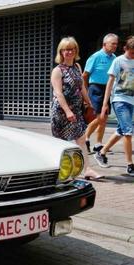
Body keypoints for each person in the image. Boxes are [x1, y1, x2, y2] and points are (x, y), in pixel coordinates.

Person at [50, 36, 102, 180]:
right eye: (66, 49)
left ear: (76, 50)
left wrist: (89, 103)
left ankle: (88, 169)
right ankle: (60, 170)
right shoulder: (57, 71)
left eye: (72, 49)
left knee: (81, 139)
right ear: (61, 52)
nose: (69, 52)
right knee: (61, 142)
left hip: (77, 110)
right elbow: (58, 94)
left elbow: (82, 88)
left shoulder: (77, 67)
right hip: (62, 111)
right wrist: (67, 111)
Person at [94, 36, 134, 176]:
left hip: (132, 101)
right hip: (119, 99)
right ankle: (130, 165)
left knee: (121, 130)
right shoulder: (118, 61)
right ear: (125, 49)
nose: (133, 56)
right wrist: (105, 103)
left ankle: (102, 152)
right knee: (128, 132)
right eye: (131, 53)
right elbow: (110, 82)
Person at [83, 33, 118, 153]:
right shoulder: (95, 56)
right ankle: (85, 138)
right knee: (100, 117)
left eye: (116, 44)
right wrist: (85, 93)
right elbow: (85, 75)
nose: (115, 46)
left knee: (105, 118)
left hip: (107, 89)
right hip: (95, 88)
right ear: (104, 44)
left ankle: (98, 144)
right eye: (112, 43)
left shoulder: (114, 58)